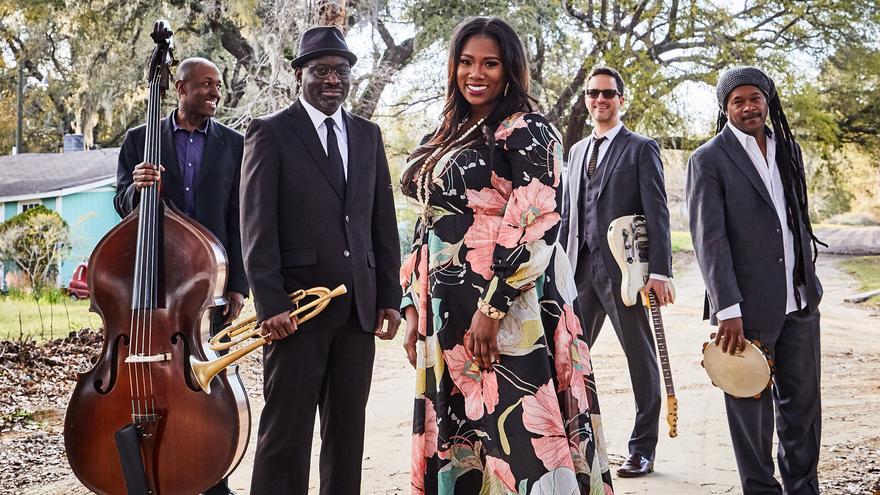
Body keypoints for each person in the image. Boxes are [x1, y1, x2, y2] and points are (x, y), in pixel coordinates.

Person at [399, 17, 613, 493]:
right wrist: (412, 306)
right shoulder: (451, 127)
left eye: (490, 63)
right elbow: (430, 221)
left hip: (510, 312)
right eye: (467, 62)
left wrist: (492, 309)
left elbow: (536, 226)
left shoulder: (528, 130)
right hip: (445, 311)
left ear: (510, 69)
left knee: (517, 437)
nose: (476, 73)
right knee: (464, 439)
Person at [239, 26, 402, 495]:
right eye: (321, 71)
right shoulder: (269, 132)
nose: (333, 79)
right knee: (286, 435)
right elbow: (256, 227)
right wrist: (270, 304)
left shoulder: (368, 134)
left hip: (357, 310)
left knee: (347, 434)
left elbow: (381, 222)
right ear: (299, 75)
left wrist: (389, 296)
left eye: (341, 71)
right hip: (295, 311)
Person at [686, 66, 823, 494]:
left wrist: (809, 283)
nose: (748, 107)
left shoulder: (788, 150)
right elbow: (710, 239)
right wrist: (727, 308)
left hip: (799, 302)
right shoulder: (708, 159)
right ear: (725, 108)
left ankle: (804, 488)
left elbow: (795, 220)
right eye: (737, 101)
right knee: (751, 414)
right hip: (744, 311)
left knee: (802, 410)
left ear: (768, 100)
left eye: (754, 98)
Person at [113, 57, 247, 495]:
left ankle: (209, 476)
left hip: (207, 286)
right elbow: (122, 205)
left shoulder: (234, 143)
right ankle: (148, 470)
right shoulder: (138, 140)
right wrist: (138, 187)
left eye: (218, 85)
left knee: (206, 386)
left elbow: (240, 219)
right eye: (205, 85)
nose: (214, 93)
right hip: (152, 283)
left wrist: (238, 284)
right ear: (179, 87)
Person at [560, 66, 673, 477]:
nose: (600, 100)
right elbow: (569, 215)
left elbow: (657, 213)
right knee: (568, 357)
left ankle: (642, 449)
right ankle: (569, 445)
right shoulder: (574, 152)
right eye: (593, 93)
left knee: (641, 359)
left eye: (608, 93)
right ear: (586, 99)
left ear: (621, 99)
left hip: (626, 272)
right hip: (579, 270)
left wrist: (660, 272)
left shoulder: (641, 148)